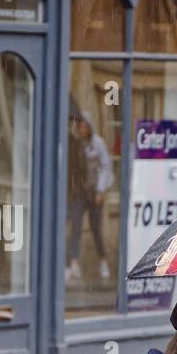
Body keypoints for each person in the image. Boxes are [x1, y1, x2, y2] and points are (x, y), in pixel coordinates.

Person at [66, 113, 113, 285]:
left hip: (93, 192)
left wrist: (100, 190)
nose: (82, 129)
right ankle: (73, 262)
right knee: (76, 227)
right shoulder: (75, 143)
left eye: (85, 126)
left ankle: (103, 260)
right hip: (79, 192)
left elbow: (106, 166)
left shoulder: (97, 143)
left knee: (95, 228)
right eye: (79, 126)